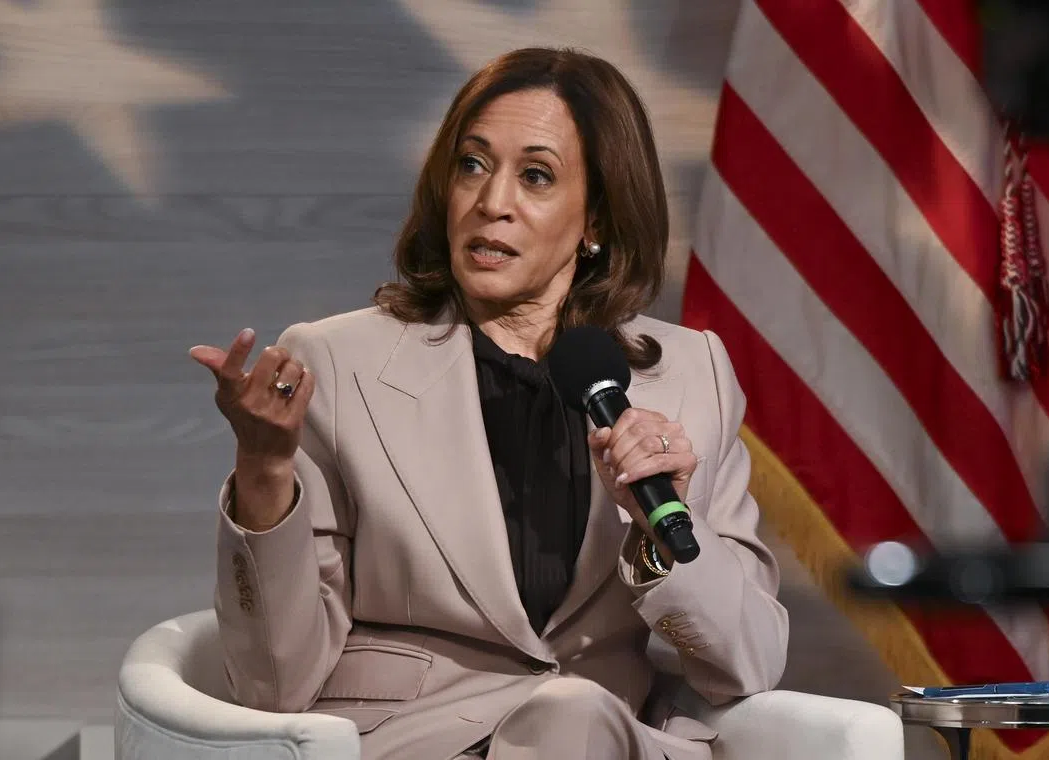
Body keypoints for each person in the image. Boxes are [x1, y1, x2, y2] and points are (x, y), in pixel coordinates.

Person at [190, 47, 788, 760]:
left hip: (606, 740)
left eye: (535, 176)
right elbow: (271, 685)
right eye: (472, 165)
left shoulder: (692, 375)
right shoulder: (339, 365)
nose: (491, 201)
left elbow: (750, 662)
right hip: (419, 743)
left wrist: (661, 525)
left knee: (573, 715)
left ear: (596, 218)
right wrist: (263, 469)